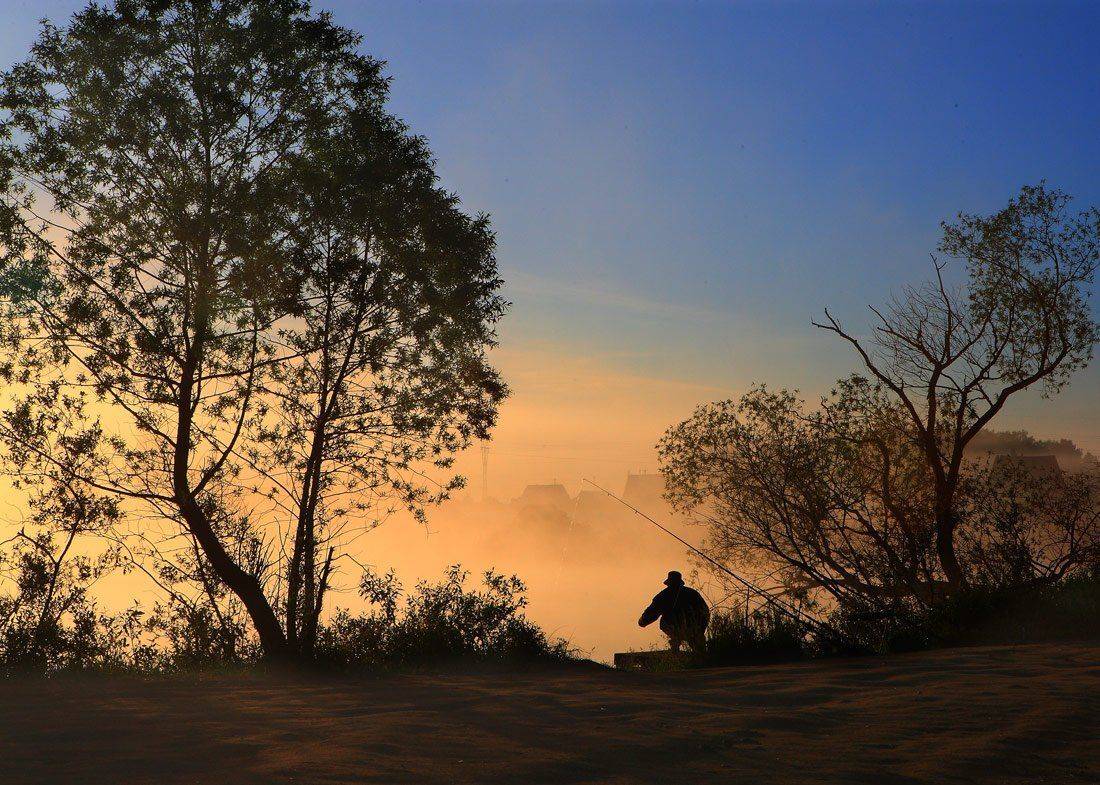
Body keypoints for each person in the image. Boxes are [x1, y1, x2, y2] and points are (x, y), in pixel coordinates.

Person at [638, 571, 710, 653]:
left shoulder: (664, 595)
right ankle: (702, 657)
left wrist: (642, 622)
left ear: (668, 583)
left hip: (674, 627)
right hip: (694, 627)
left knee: (670, 629)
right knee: (698, 646)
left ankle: (675, 650)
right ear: (680, 582)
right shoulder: (692, 593)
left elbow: (652, 612)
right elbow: (705, 611)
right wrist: (700, 628)